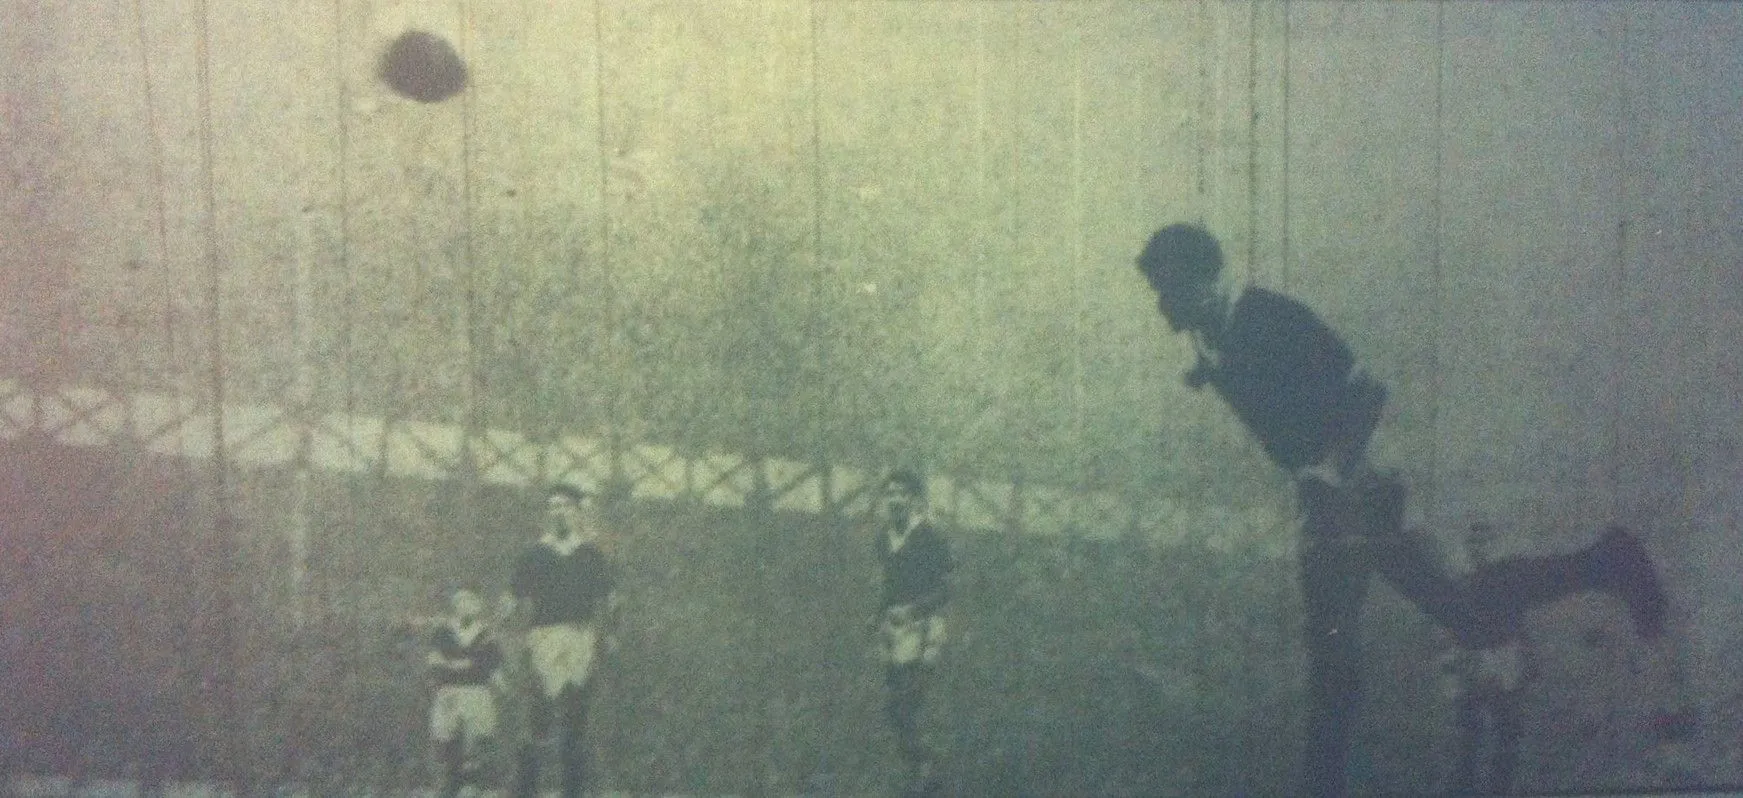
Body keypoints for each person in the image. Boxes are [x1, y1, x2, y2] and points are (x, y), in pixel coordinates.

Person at [1133, 223, 1668, 797]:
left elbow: (1367, 393)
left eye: (1171, 291)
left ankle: (1605, 562)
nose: (1162, 306)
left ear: (1213, 281)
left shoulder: (1273, 320)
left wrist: (1334, 478)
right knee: (1417, 630)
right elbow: (1261, 384)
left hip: (1364, 495)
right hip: (1333, 504)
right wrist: (1211, 376)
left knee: (1401, 636)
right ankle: (1603, 563)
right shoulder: (1212, 335)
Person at [506, 483, 619, 798]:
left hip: (580, 639)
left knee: (576, 721)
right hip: (543, 638)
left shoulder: (591, 555)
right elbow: (512, 598)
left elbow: (609, 599)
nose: (558, 511)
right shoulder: (533, 554)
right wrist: (513, 636)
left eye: (565, 506)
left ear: (577, 512)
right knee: (536, 720)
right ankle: (524, 791)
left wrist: (609, 634)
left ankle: (574, 791)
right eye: (553, 506)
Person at [873, 469, 953, 796]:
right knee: (895, 708)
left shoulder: (929, 537)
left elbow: (946, 590)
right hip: (894, 630)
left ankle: (928, 764)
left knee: (908, 702)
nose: (894, 499)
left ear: (914, 499)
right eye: (889, 493)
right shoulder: (883, 539)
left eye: (901, 493)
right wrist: (878, 616)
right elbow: (888, 586)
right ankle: (920, 769)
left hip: (923, 627)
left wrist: (913, 610)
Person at [426, 587, 505, 798]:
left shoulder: (486, 634)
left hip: (477, 692)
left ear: (479, 605)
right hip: (450, 692)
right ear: (454, 604)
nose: (465, 605)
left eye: (471, 600)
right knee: (448, 737)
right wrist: (459, 667)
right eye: (461, 600)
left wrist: (466, 665)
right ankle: (451, 784)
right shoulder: (443, 632)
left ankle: (477, 784)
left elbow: (490, 663)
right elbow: (436, 663)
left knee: (479, 737)